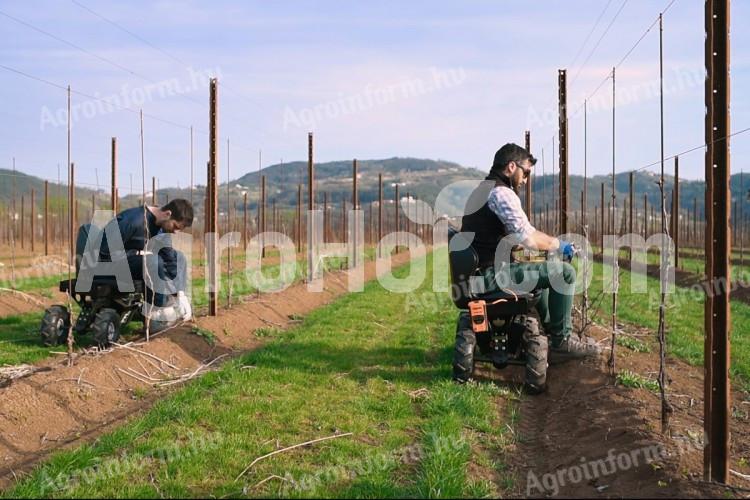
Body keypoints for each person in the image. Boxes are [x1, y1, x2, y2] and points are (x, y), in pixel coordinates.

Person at [460, 143, 600, 360]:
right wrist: (560, 246)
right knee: (565, 273)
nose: (525, 180)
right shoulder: (501, 193)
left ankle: (548, 331)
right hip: (491, 276)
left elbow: (510, 240)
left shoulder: (483, 190)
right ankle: (561, 341)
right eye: (525, 173)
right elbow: (527, 236)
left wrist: (537, 252)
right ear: (511, 167)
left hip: (479, 274)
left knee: (541, 267)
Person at [97, 199, 194, 331]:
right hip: (110, 265)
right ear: (168, 214)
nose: (175, 232)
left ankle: (169, 303)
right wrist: (137, 253)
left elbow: (170, 258)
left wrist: (180, 294)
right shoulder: (132, 221)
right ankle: (155, 314)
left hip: (135, 264)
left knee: (179, 257)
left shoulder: (162, 229)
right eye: (176, 227)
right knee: (153, 261)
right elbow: (104, 252)